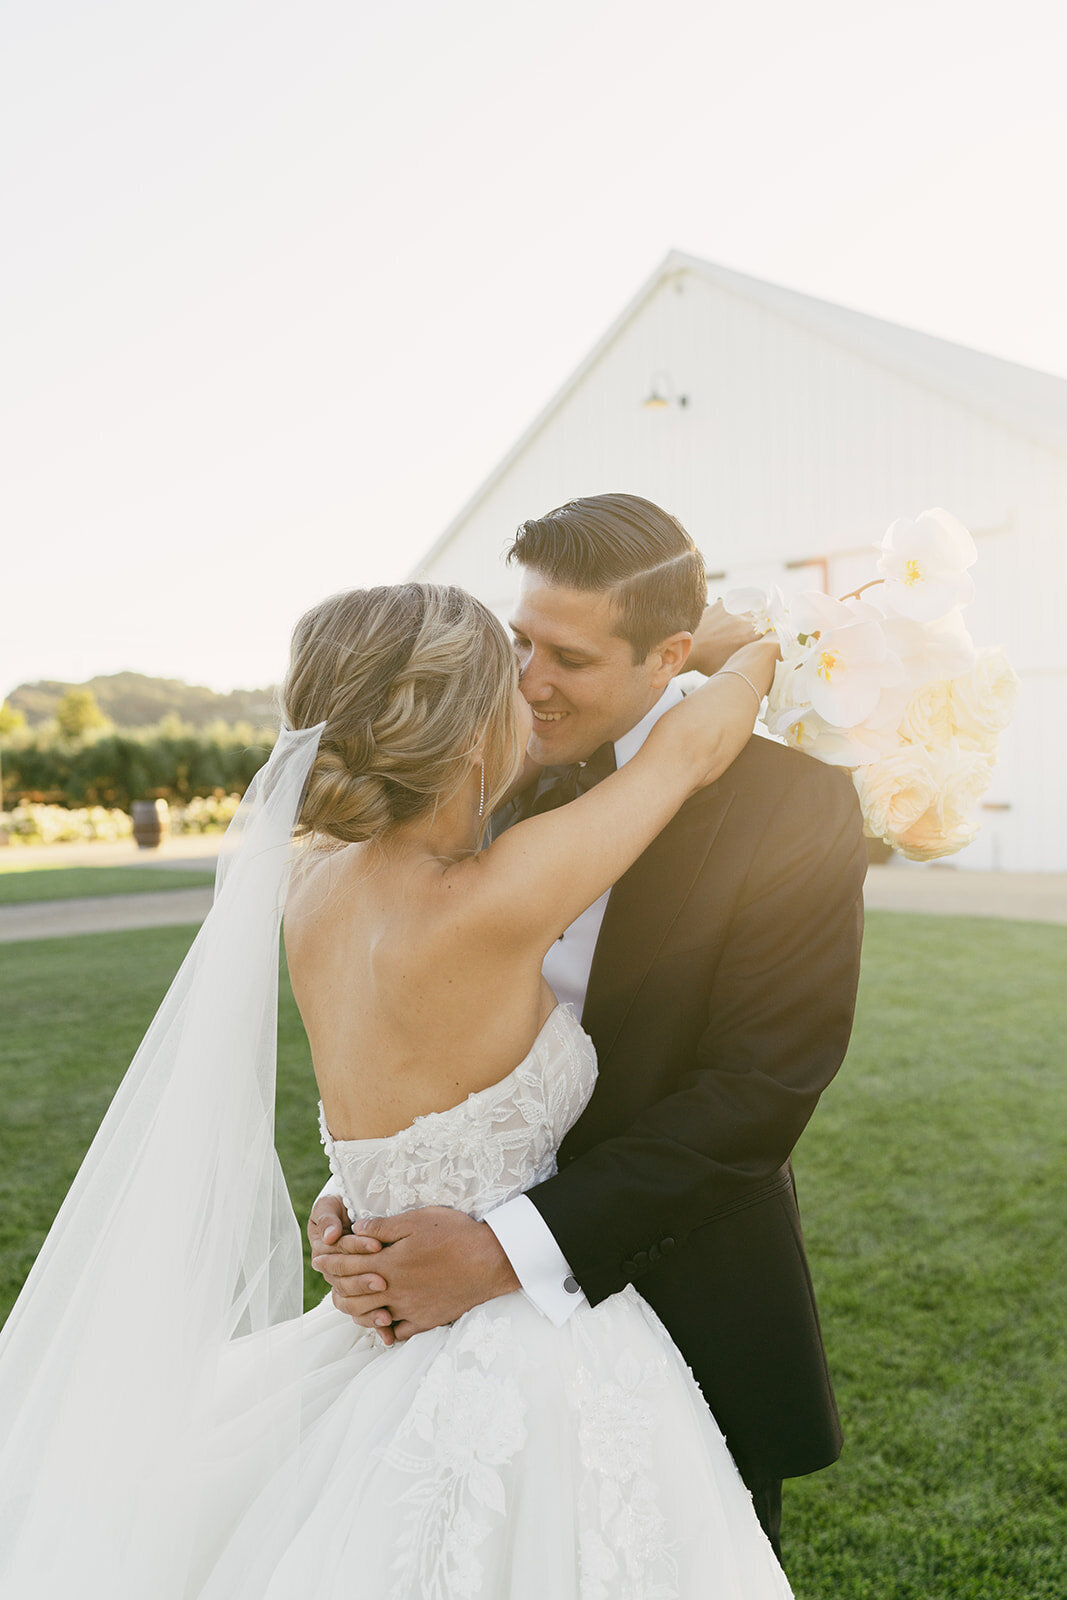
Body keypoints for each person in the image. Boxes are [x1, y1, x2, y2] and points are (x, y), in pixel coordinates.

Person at [0, 565, 792, 1597]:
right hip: (525, 1352)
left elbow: (395, 1111)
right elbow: (693, 748)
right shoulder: (497, 894)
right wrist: (758, 644)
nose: (533, 694)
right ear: (469, 733)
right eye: (508, 680)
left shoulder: (306, 882)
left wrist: (350, 1206)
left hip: (370, 1309)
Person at [309, 493, 868, 1565]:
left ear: (667, 657)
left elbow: (757, 1093)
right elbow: (414, 1007)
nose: (526, 680)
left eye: (566, 655)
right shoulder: (481, 776)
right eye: (519, 639)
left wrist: (500, 1251)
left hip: (680, 1301)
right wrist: (366, 1194)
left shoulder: (789, 805)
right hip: (438, 1333)